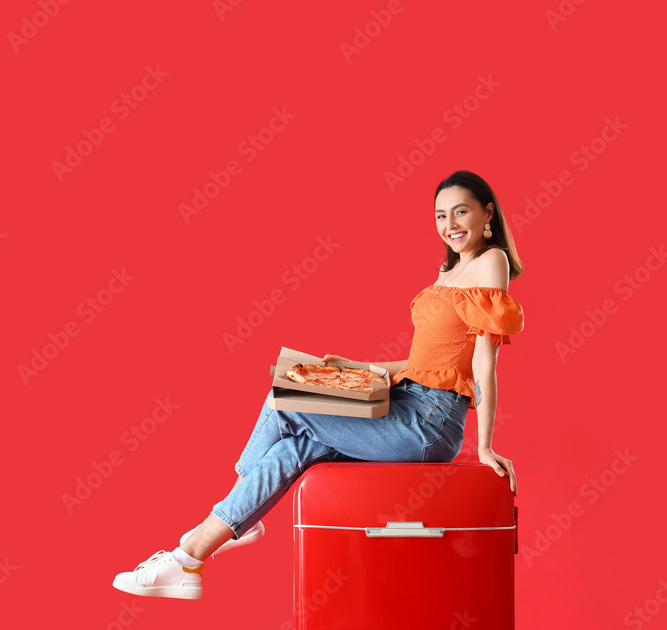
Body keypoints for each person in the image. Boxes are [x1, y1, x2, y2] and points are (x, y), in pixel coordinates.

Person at [112, 169, 525, 600]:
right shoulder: (447, 272)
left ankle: (237, 509)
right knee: (295, 445)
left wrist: (484, 446)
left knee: (287, 401)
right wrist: (357, 365)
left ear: (487, 213)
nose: (450, 224)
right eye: (441, 215)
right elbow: (427, 362)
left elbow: (483, 358)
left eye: (461, 212)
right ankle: (190, 559)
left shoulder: (490, 262)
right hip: (403, 403)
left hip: (429, 424)